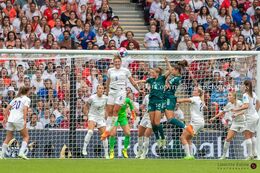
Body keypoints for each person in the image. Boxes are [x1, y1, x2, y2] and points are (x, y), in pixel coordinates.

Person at [101, 55, 139, 141]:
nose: (117, 63)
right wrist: (106, 92)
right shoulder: (110, 70)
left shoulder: (125, 70)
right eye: (115, 62)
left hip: (121, 92)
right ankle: (108, 129)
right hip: (112, 92)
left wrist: (138, 89)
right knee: (110, 112)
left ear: (121, 62)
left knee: (115, 111)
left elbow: (132, 81)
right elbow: (108, 82)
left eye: (118, 61)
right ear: (113, 62)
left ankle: (107, 131)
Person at [136, 59, 171, 148]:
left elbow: (170, 71)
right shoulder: (151, 80)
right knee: (152, 123)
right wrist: (137, 82)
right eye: (150, 72)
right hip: (151, 102)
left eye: (152, 72)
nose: (151, 74)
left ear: (157, 73)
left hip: (159, 102)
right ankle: (158, 138)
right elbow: (144, 81)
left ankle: (163, 138)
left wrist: (167, 61)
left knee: (157, 123)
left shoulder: (162, 78)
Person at [210, 92, 245, 160]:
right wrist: (214, 118)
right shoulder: (229, 104)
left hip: (243, 122)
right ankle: (223, 156)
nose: (228, 97)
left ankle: (252, 155)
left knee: (248, 138)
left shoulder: (239, 102)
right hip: (235, 123)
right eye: (228, 95)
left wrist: (237, 114)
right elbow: (222, 112)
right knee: (228, 139)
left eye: (229, 95)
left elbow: (244, 111)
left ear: (234, 97)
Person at [0, 86, 31, 160]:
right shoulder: (27, 99)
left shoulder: (15, 99)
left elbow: (7, 108)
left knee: (8, 137)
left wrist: (5, 118)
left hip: (11, 119)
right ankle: (21, 152)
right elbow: (25, 109)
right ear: (27, 92)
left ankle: (1, 155)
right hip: (19, 119)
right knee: (26, 136)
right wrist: (25, 120)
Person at [232, 80, 260, 160]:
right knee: (252, 134)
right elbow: (258, 103)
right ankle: (255, 154)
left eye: (242, 85)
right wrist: (255, 112)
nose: (242, 86)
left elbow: (246, 106)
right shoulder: (253, 94)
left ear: (246, 86)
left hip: (250, 117)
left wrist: (236, 109)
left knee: (247, 135)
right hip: (255, 116)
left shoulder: (245, 95)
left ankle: (250, 155)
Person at [82, 85, 109, 159]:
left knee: (104, 136)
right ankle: (84, 148)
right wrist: (87, 115)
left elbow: (107, 108)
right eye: (99, 88)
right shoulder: (92, 98)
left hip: (101, 118)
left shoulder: (106, 98)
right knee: (90, 132)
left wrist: (107, 118)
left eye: (102, 88)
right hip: (92, 116)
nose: (101, 90)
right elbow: (86, 106)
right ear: (97, 90)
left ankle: (106, 154)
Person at [178, 87, 205, 160]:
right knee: (188, 138)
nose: (193, 91)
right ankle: (191, 155)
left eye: (195, 90)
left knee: (182, 137)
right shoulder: (201, 101)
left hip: (196, 122)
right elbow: (205, 107)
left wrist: (176, 100)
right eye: (193, 90)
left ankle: (188, 155)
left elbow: (185, 100)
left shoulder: (195, 98)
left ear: (198, 93)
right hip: (201, 122)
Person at [109, 93, 136, 159]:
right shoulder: (114, 99)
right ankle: (111, 151)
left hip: (123, 117)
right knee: (112, 134)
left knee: (128, 133)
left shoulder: (127, 100)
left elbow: (132, 107)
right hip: (114, 117)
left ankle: (125, 150)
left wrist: (133, 114)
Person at [136, 93, 152, 159]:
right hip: (146, 115)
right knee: (140, 134)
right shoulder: (147, 96)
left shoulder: (159, 96)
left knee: (146, 135)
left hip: (153, 117)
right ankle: (139, 151)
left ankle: (144, 154)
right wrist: (137, 109)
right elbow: (143, 106)